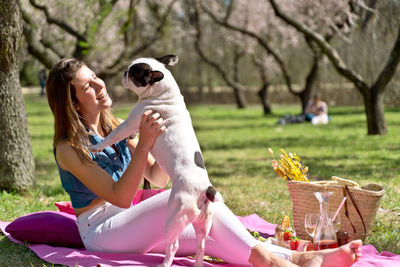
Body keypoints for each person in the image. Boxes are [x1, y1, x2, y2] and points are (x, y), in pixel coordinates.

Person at [46, 58, 362, 267]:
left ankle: (300, 257)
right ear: (71, 100)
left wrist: (170, 147)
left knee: (211, 231)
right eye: (89, 85)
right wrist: (142, 145)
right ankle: (278, 263)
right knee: (197, 198)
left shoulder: (114, 129)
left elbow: (158, 178)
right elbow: (120, 197)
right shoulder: (69, 149)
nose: (101, 85)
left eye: (96, 77)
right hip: (104, 231)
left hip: (133, 225)